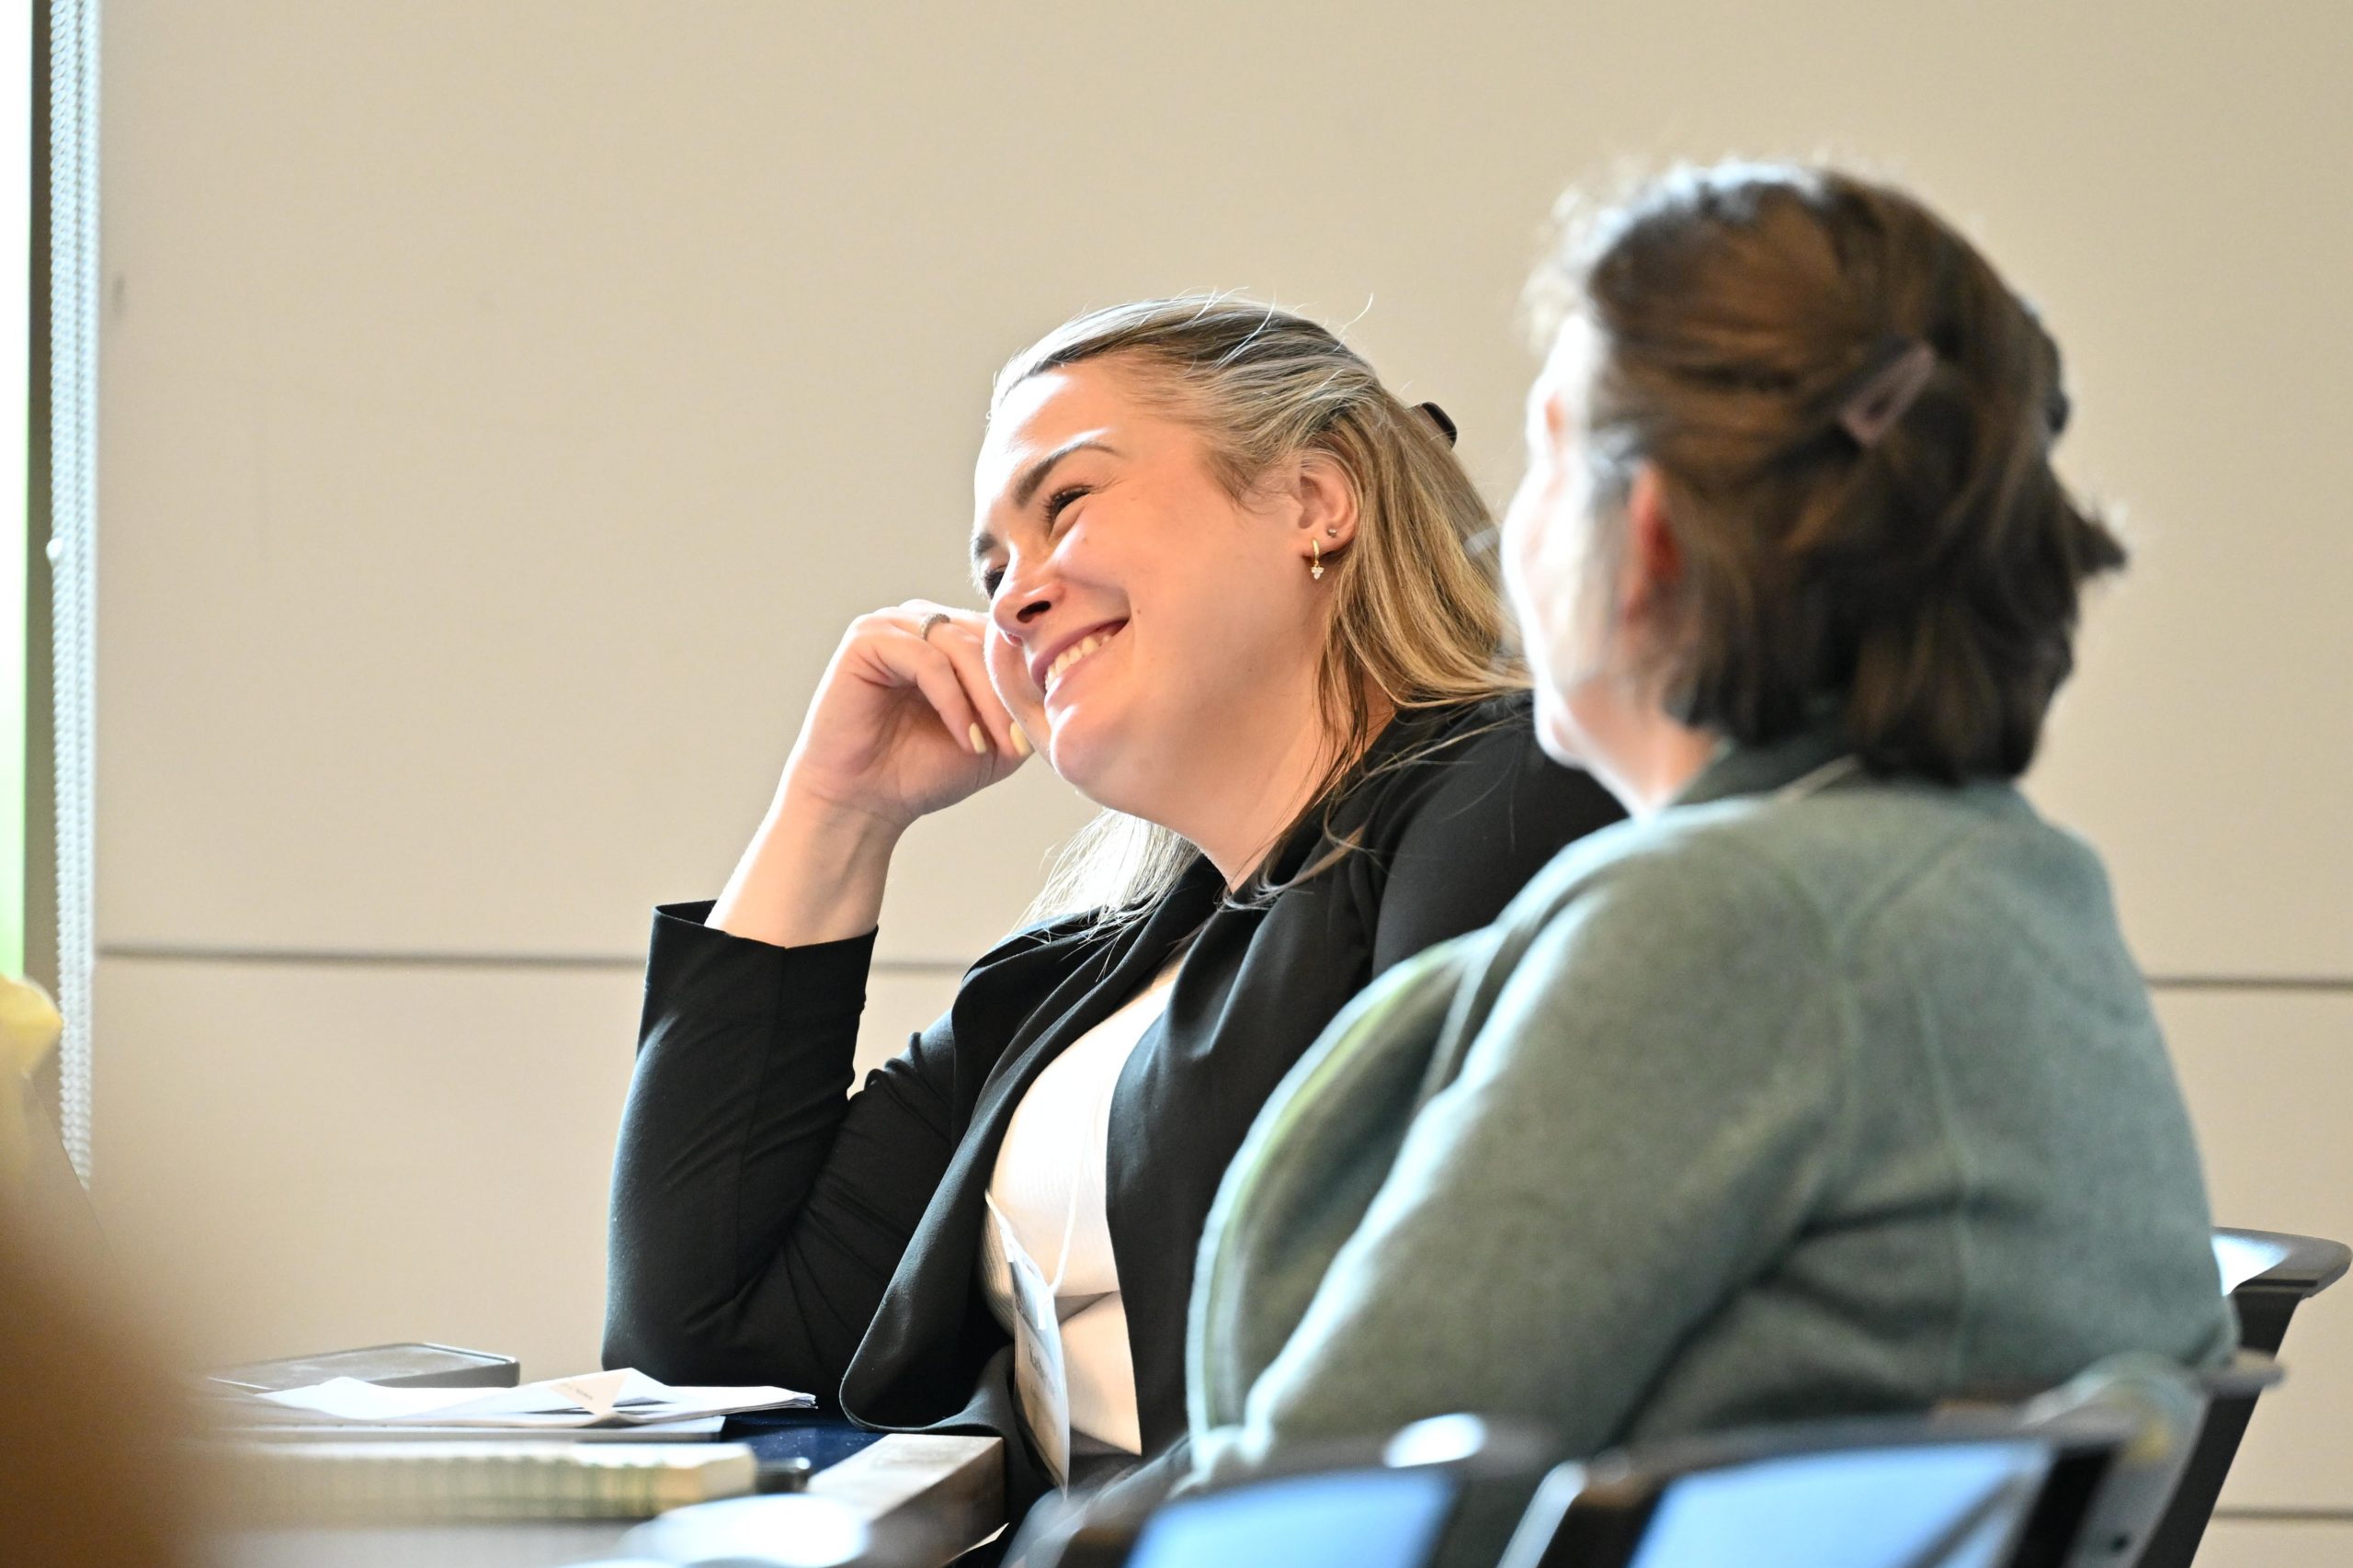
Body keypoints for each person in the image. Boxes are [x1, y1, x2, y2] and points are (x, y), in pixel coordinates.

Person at [1152, 165, 2235, 1540]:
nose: (1499, 526)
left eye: (1546, 456)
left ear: (1650, 534)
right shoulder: (2015, 884)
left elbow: (1319, 1515)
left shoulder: (1735, 925)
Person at [602, 297, 1624, 1524]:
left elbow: (1464, 1331)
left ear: (1314, 500)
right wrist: (835, 808)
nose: (1012, 601)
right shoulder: (1058, 993)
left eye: (1067, 503)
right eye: (992, 570)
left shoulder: (1507, 795)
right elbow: (702, 1346)